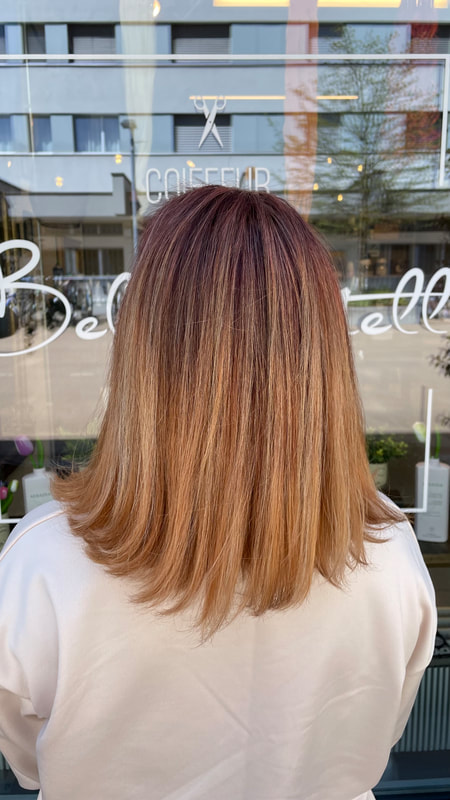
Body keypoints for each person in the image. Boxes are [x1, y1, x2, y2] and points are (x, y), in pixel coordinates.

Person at [0, 186, 436, 800]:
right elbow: (378, 734)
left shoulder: (42, 564)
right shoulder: (388, 553)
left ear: (142, 347)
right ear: (323, 355)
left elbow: (30, 763)